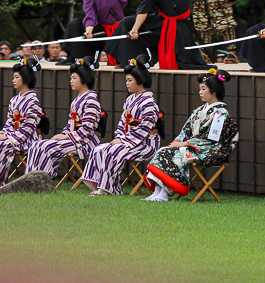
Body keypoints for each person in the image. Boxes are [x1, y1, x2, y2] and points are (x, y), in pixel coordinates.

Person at [144, 68, 240, 201]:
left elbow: (211, 139)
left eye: (203, 89)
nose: (200, 92)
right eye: (200, 89)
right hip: (195, 147)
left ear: (214, 91)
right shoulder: (199, 110)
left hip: (211, 150)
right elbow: (186, 131)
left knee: (178, 153)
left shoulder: (221, 113)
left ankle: (164, 194)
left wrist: (184, 144)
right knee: (165, 150)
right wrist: (176, 143)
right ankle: (158, 192)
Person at [80, 56, 162, 196]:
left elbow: (145, 128)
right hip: (128, 141)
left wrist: (123, 140)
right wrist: (119, 137)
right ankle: (100, 185)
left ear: (140, 80)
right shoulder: (129, 99)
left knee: (113, 151)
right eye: (126, 80)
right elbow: (122, 123)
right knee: (99, 149)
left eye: (130, 80)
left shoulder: (149, 102)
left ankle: (109, 189)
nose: (127, 84)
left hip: (145, 143)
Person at [25, 57, 104, 178]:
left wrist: (66, 136)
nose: (71, 81)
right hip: (74, 139)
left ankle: (44, 179)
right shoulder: (76, 101)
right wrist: (61, 135)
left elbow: (87, 129)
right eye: (70, 78)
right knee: (37, 145)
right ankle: (30, 179)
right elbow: (70, 125)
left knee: (47, 147)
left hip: (85, 142)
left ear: (85, 79)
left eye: (74, 78)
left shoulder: (91, 101)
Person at [0, 59, 48, 187]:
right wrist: (2, 133)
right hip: (12, 135)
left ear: (25, 78)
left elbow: (29, 127)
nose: (13, 80)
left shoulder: (33, 102)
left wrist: (8, 137)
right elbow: (9, 121)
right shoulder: (14, 100)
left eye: (16, 77)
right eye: (13, 77)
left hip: (26, 139)